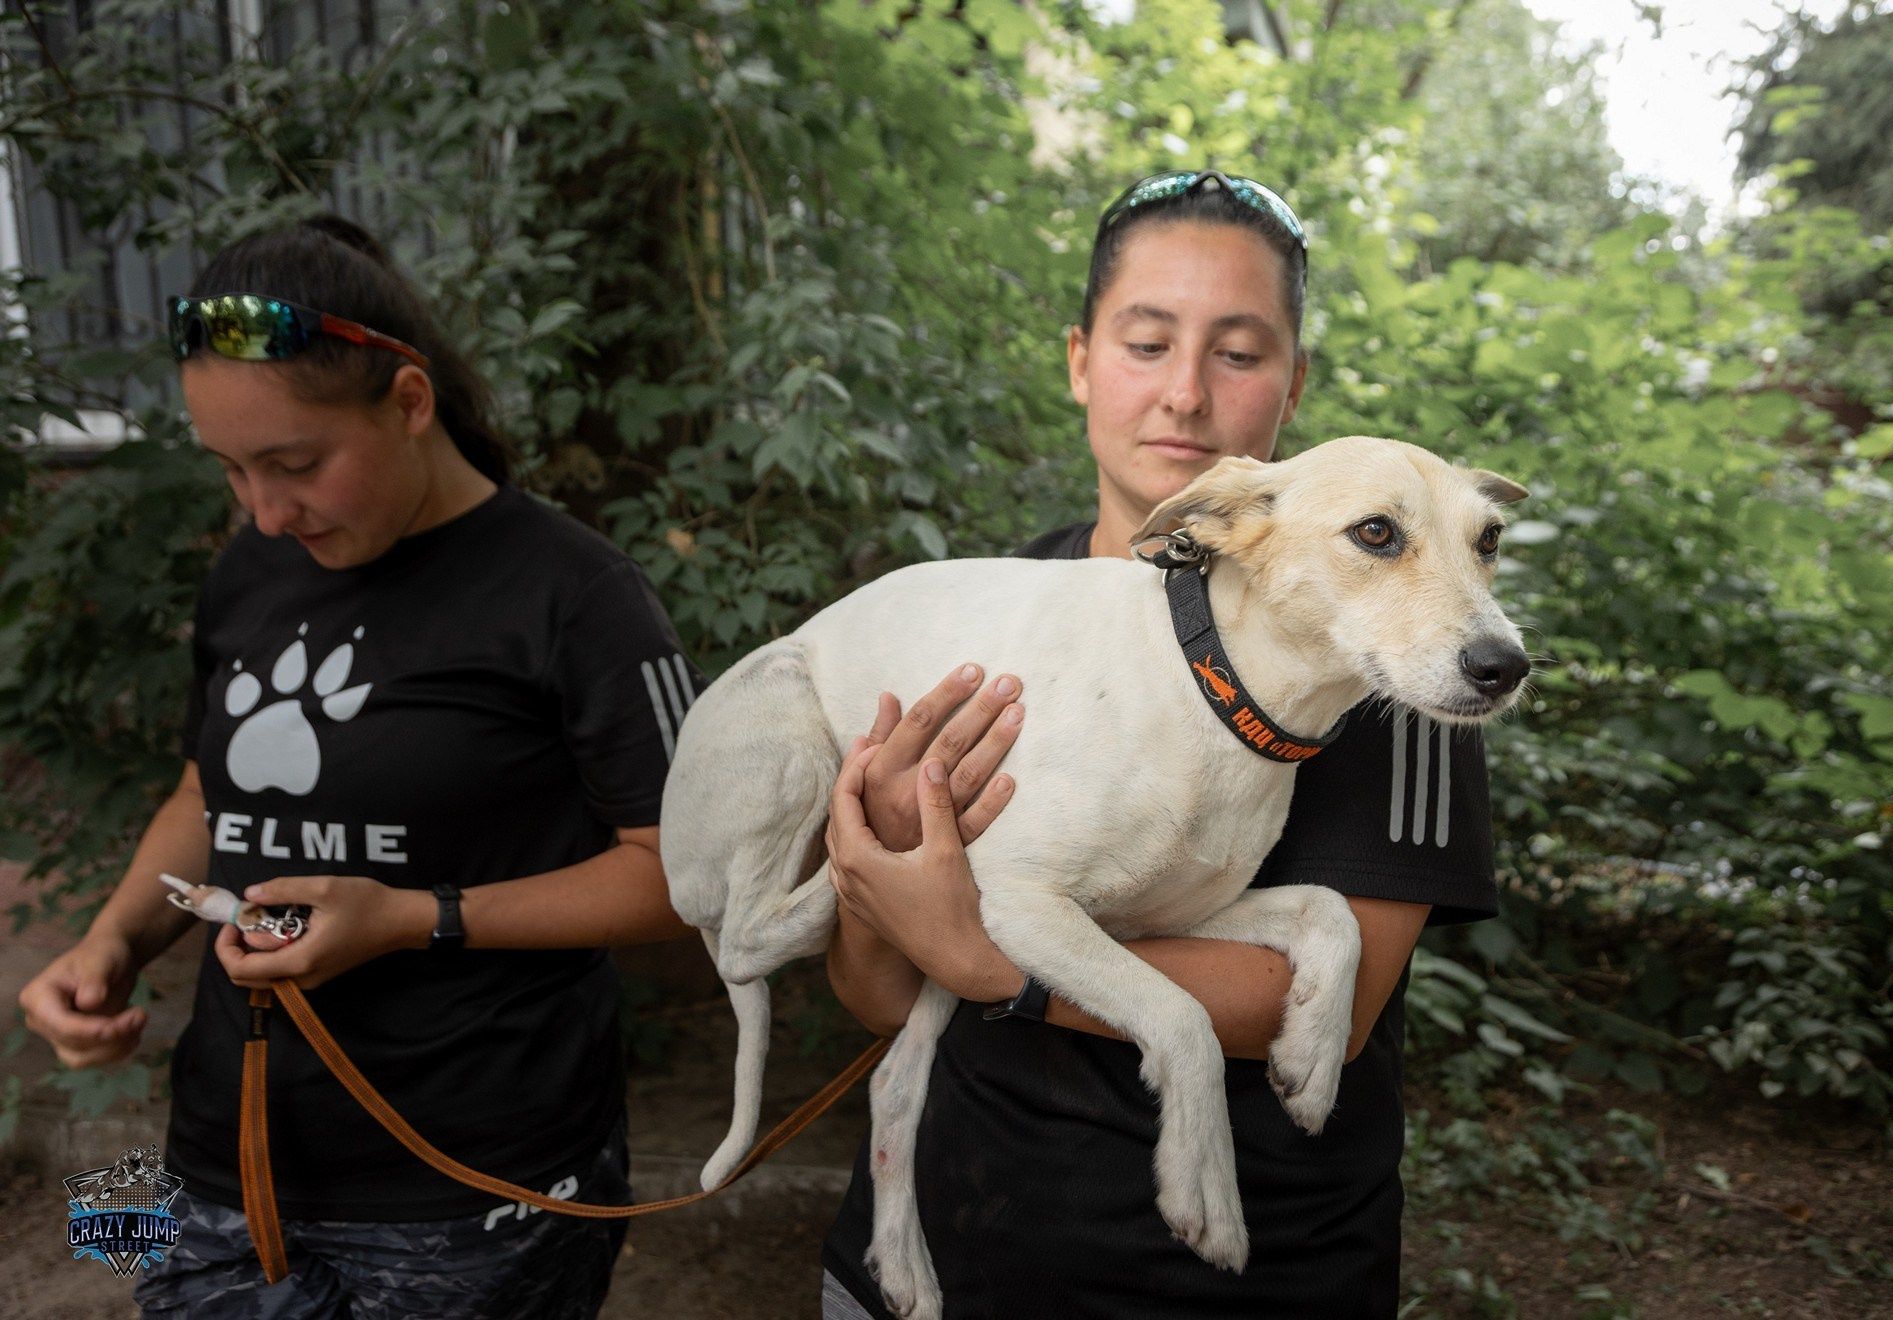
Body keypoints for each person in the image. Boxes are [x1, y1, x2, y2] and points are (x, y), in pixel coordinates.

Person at [818, 170, 1503, 1317]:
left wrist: (990, 957)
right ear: (1082, 361)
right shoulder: (992, 610)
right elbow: (878, 989)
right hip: (934, 1252)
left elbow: (1322, 1002)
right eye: (1146, 343)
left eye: (1238, 353)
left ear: (1294, 388)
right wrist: (879, 879)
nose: (1185, 394)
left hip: (1225, 1286)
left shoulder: (1397, 658)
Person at [16, 215, 700, 1319]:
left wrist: (412, 917)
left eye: (295, 465)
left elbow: (683, 874)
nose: (266, 513)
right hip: (220, 1159)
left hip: (477, 1186)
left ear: (410, 402)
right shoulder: (252, 571)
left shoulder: (577, 594)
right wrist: (113, 939)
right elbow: (207, 795)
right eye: (233, 472)